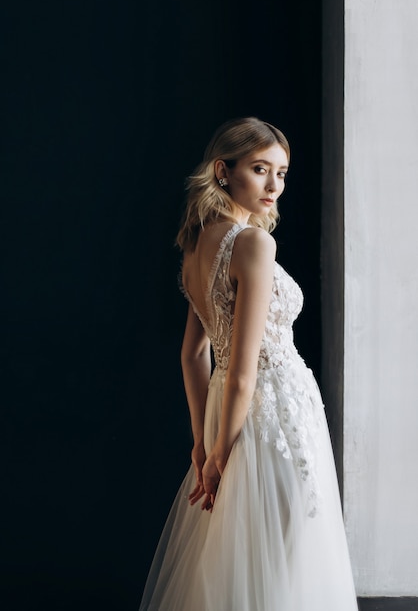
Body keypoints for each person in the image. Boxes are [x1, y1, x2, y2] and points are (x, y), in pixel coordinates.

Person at [139, 116, 358, 610]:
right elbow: (243, 370)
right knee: (280, 557)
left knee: (240, 555)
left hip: (227, 410)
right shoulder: (253, 243)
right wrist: (218, 453)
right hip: (272, 411)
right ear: (223, 170)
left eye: (281, 173)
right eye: (260, 169)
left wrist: (202, 442)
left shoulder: (198, 243)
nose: (274, 185)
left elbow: (194, 354)